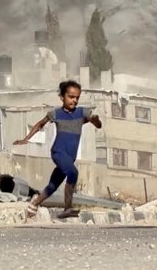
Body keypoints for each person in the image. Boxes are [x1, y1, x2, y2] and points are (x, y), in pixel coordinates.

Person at [14, 79, 102, 219]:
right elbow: (40, 124)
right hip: (58, 152)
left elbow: (98, 125)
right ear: (62, 97)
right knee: (73, 173)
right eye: (71, 97)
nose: (74, 100)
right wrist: (26, 139)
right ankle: (68, 208)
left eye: (77, 97)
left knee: (53, 185)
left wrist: (95, 120)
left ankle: (35, 203)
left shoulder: (82, 113)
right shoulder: (56, 114)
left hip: (70, 157)